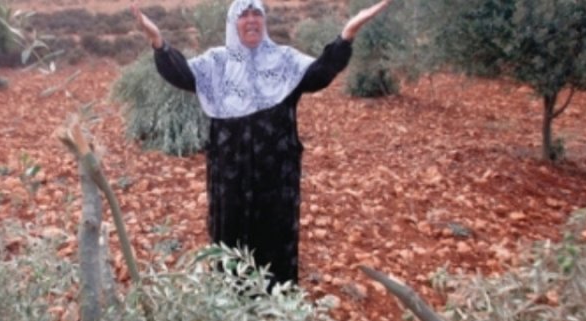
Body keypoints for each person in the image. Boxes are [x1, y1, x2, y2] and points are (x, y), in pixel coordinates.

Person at [132, 0, 393, 287]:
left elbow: (319, 74)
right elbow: (180, 72)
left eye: (257, 13)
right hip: (229, 175)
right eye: (244, 14)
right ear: (233, 23)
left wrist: (347, 34)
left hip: (277, 176)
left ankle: (278, 306)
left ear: (265, 21)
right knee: (229, 236)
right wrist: (157, 41)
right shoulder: (217, 63)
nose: (252, 20)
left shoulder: (285, 61)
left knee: (276, 235)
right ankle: (230, 305)